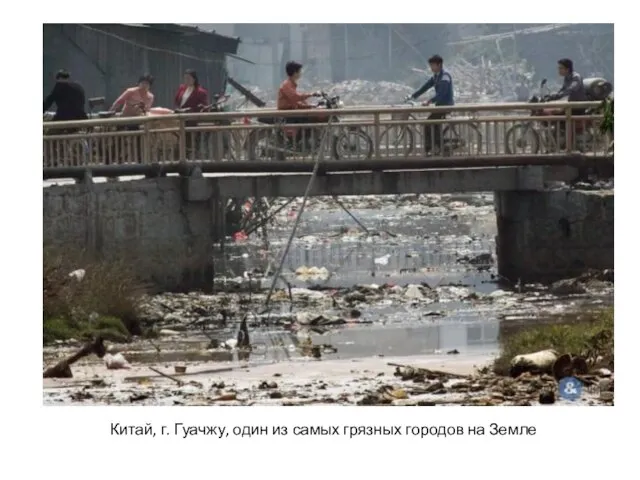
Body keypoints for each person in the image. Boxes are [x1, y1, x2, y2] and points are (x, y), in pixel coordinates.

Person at [406, 55, 454, 154]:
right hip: (439, 106)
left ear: (439, 64)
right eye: (430, 65)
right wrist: (413, 96)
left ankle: (430, 149)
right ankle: (437, 147)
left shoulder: (445, 76)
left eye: (433, 65)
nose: (431, 68)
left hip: (445, 106)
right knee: (434, 125)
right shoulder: (436, 76)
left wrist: (429, 101)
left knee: (428, 124)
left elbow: (441, 94)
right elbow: (425, 87)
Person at [277, 61, 321, 147]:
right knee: (308, 119)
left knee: (310, 116)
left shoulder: (291, 84)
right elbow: (296, 97)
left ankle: (302, 141)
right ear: (294, 72)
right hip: (288, 113)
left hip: (291, 111)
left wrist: (310, 106)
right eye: (299, 71)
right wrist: (311, 94)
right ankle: (301, 143)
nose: (301, 74)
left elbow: (296, 102)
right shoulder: (287, 85)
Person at [546, 58, 588, 149]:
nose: (559, 70)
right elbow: (563, 89)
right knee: (554, 114)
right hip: (572, 105)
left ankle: (570, 146)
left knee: (563, 119)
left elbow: (571, 88)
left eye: (561, 68)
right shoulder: (567, 78)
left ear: (567, 69)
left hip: (578, 106)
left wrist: (558, 95)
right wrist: (552, 96)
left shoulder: (575, 77)